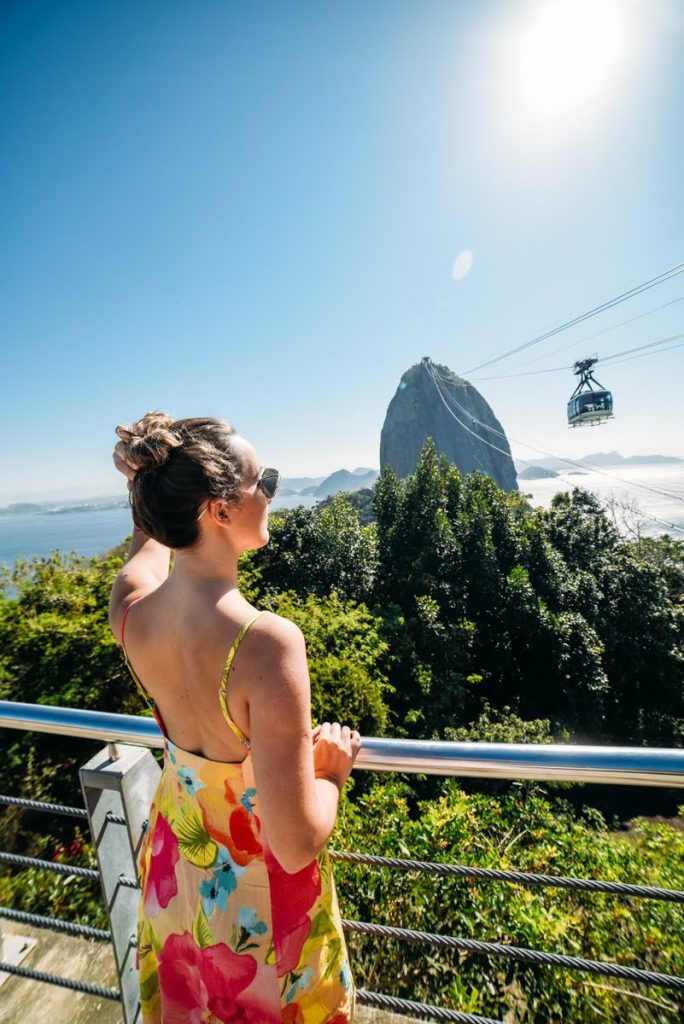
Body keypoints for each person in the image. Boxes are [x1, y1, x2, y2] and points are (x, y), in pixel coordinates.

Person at [109, 411, 361, 1024]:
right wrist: (330, 772)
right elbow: (295, 843)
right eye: (263, 481)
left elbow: (147, 556)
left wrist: (145, 487)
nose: (272, 492)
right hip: (256, 903)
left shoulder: (132, 615)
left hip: (176, 873)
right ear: (219, 510)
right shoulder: (267, 644)